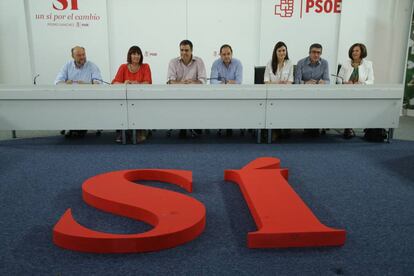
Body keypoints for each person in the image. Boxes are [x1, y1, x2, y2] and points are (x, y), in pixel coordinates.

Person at [55, 46, 103, 138]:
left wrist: (86, 84)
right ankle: (75, 127)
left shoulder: (92, 66)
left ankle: (78, 128)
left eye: (83, 54)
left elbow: (99, 83)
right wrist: (65, 83)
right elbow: (57, 82)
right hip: (70, 98)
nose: (82, 57)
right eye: (79, 55)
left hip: (88, 98)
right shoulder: (67, 66)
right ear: (73, 56)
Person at [112, 46, 152, 143]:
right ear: (129, 55)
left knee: (138, 108)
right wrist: (124, 83)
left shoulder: (145, 66)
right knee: (122, 107)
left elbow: (148, 82)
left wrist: (137, 84)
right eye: (134, 54)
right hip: (125, 99)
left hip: (141, 99)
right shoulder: (123, 67)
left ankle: (140, 131)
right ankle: (123, 132)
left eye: (138, 54)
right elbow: (114, 83)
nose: (136, 56)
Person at [167, 40, 206, 138]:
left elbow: (203, 80)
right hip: (177, 94)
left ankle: (194, 126)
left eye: (187, 50)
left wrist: (193, 82)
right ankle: (182, 127)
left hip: (195, 95)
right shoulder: (173, 62)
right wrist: (181, 83)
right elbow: (170, 81)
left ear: (192, 50)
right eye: (182, 50)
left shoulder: (199, 61)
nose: (184, 53)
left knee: (195, 106)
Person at [338, 43, 374, 139]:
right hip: (346, 91)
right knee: (348, 104)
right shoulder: (345, 63)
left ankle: (367, 128)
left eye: (357, 50)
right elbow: (338, 78)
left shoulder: (368, 64)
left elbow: (371, 80)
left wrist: (362, 84)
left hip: (362, 91)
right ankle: (348, 127)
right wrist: (345, 82)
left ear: (362, 52)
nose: (354, 52)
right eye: (353, 51)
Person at [295, 43, 330, 137]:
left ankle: (315, 126)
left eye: (318, 53)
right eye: (314, 52)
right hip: (303, 93)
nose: (316, 55)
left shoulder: (325, 63)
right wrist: (306, 83)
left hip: (318, 94)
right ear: (309, 53)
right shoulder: (301, 63)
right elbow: (296, 82)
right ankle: (309, 126)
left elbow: (327, 81)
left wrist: (323, 82)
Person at [210, 44, 243, 136]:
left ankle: (230, 124)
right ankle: (223, 124)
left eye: (228, 54)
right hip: (220, 94)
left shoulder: (238, 63)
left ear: (232, 54)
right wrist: (227, 83)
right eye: (224, 54)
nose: (226, 56)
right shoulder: (216, 64)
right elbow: (212, 81)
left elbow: (239, 81)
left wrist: (224, 82)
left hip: (235, 94)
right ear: (220, 55)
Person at [264, 41, 294, 141]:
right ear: (275, 52)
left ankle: (284, 129)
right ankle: (274, 130)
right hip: (272, 94)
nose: (282, 53)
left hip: (285, 94)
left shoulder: (289, 63)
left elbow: (290, 81)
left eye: (284, 50)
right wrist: (278, 84)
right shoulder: (269, 63)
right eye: (279, 50)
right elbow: (266, 81)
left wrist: (283, 85)